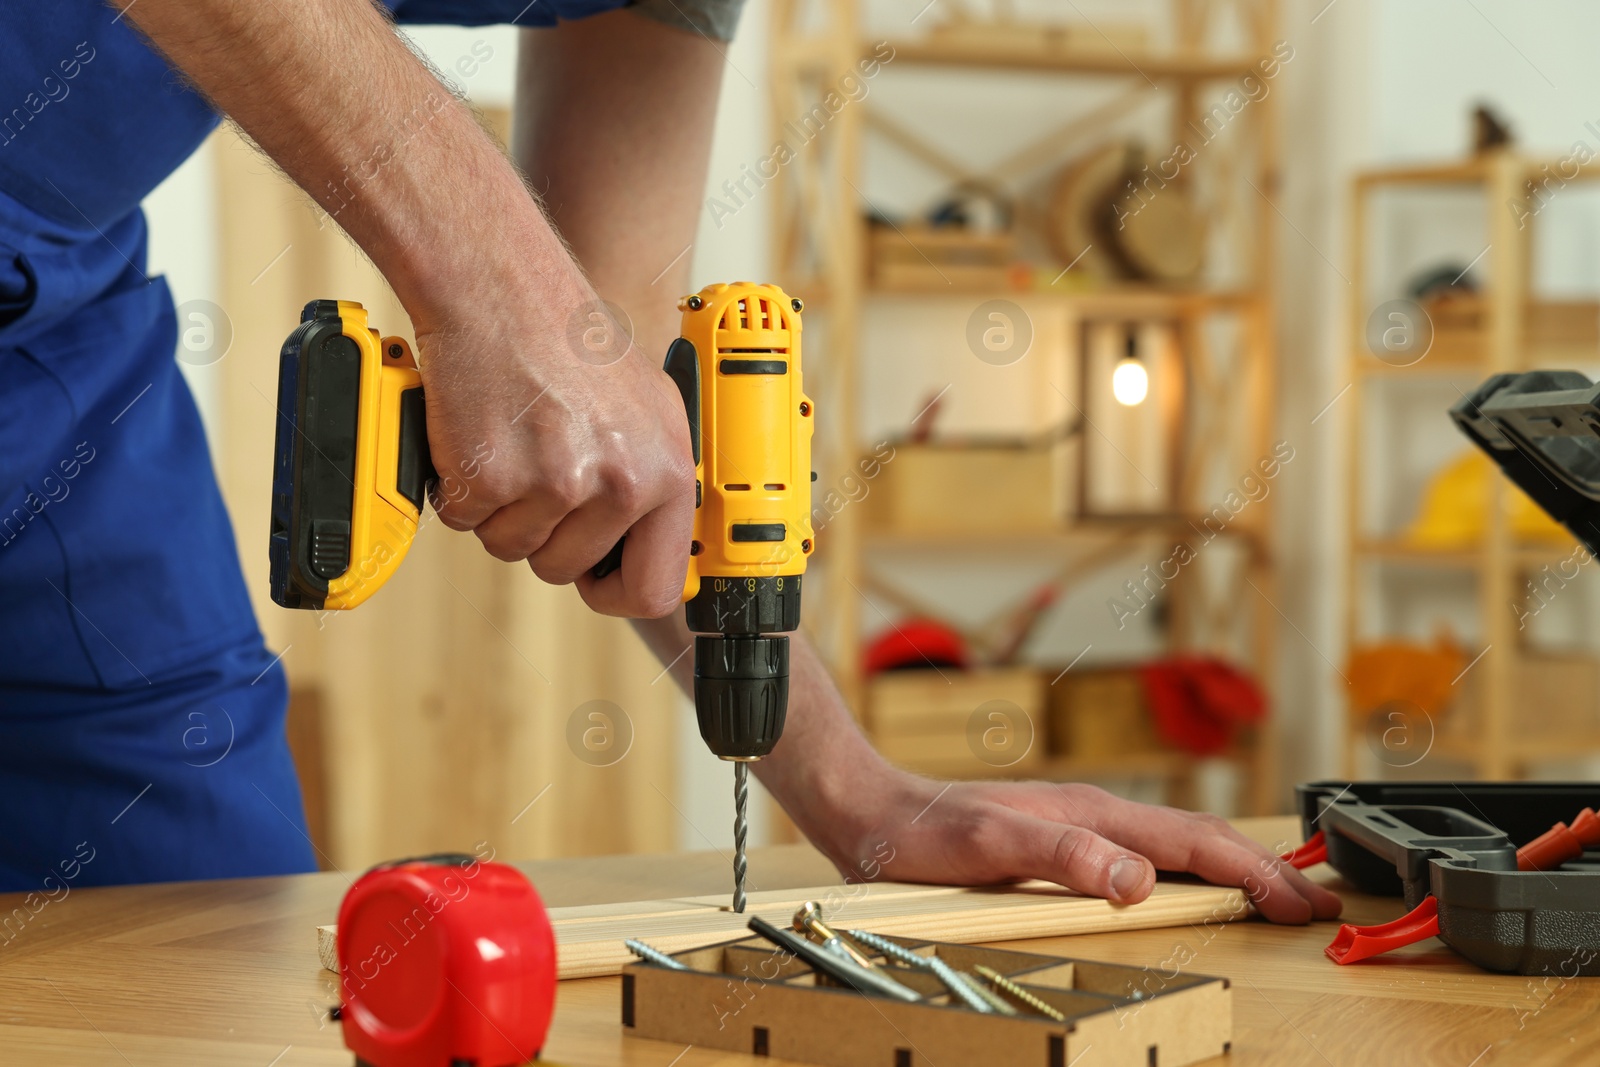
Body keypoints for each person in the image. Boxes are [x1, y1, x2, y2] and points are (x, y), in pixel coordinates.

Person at [0, 0, 1340, 924]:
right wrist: (491, 280)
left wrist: (855, 793)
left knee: (201, 942)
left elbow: (618, 357)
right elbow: (545, 314)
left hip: (55, 340)